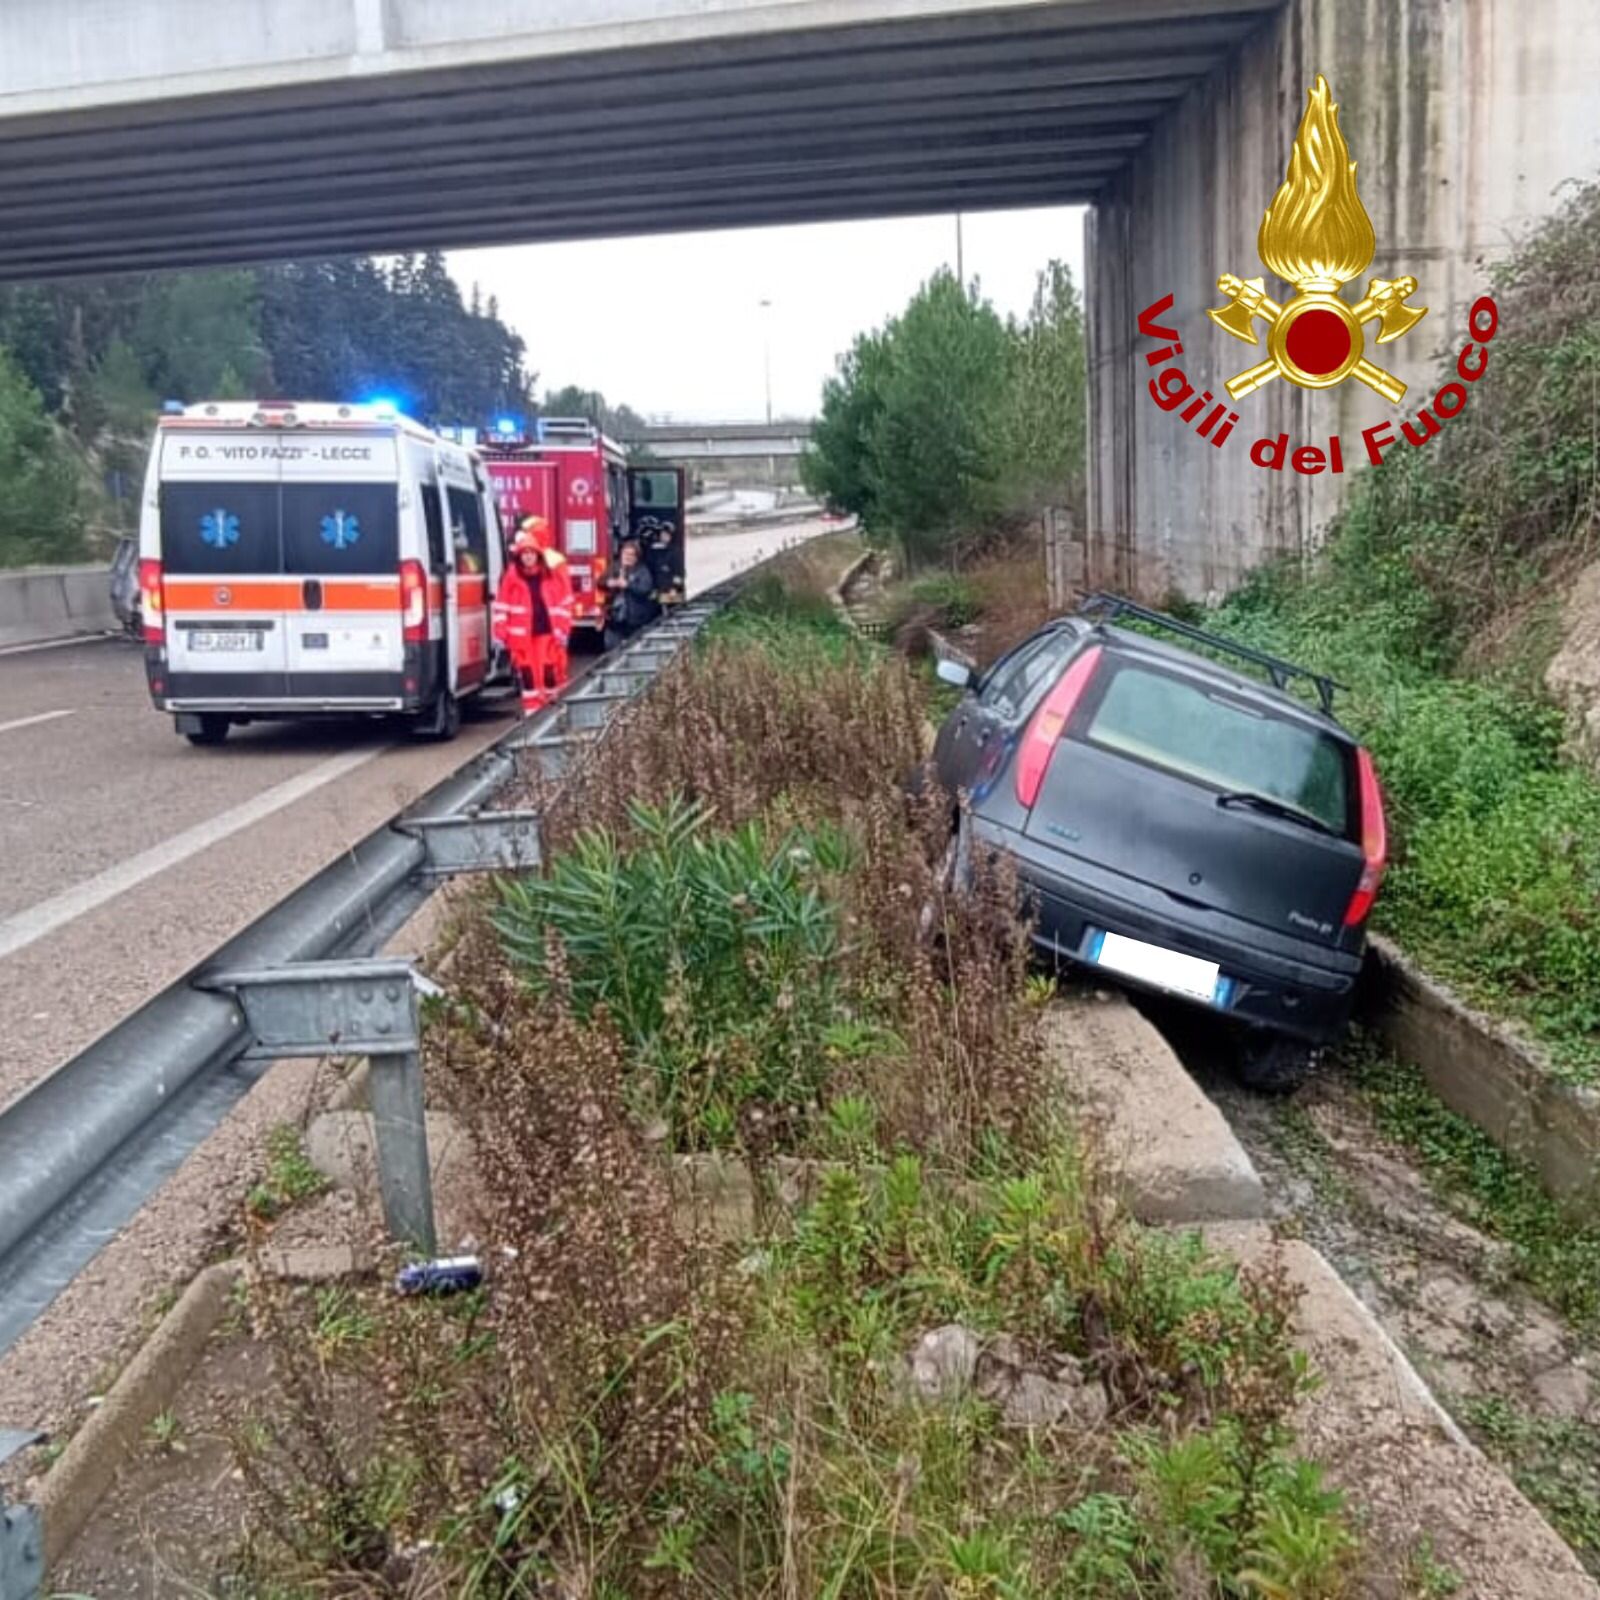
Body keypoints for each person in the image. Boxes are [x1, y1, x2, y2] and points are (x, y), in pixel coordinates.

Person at [492, 516, 572, 715]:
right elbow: (502, 605)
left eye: (531, 553)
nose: (528, 557)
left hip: (546, 633)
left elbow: (562, 604)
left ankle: (552, 709)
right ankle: (532, 712)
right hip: (522, 639)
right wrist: (500, 632)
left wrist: (563, 630)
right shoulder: (512, 576)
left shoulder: (549, 574)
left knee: (549, 672)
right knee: (528, 675)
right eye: (524, 553)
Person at [603, 538, 659, 652]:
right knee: (612, 648)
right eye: (625, 554)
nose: (627, 557)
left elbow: (645, 589)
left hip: (635, 619)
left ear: (636, 557)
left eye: (631, 555)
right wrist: (610, 582)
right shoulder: (615, 567)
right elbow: (600, 581)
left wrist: (628, 585)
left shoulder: (642, 571)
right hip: (615, 619)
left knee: (635, 648)